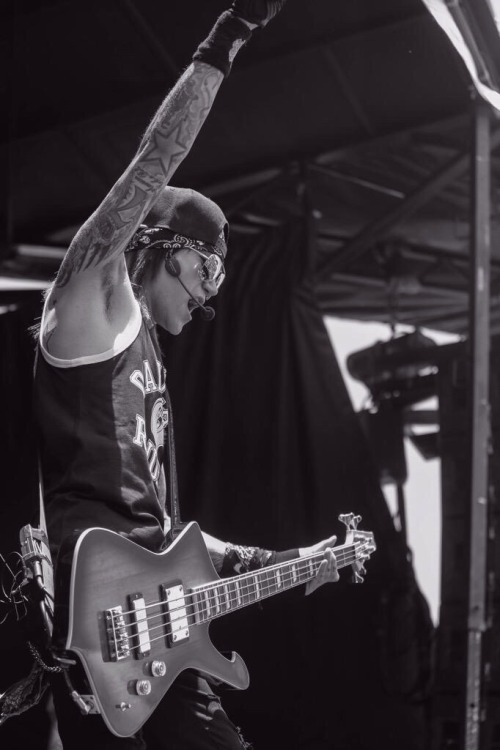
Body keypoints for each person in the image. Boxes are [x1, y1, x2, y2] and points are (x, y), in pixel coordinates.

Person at [33, 2, 340, 748]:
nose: (210, 294)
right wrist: (229, 35)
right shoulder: (91, 302)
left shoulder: (151, 364)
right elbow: (151, 164)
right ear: (167, 247)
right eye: (208, 269)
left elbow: (168, 537)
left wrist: (285, 561)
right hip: (99, 623)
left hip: (151, 628)